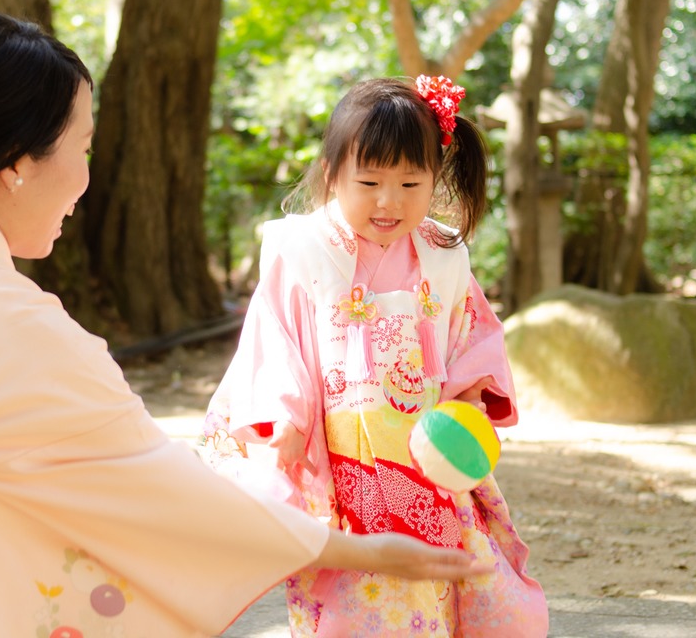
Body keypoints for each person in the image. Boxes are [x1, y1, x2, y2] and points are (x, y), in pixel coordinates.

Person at [0, 12, 487, 637]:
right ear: (18, 167)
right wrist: (360, 551)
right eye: (84, 146)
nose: (88, 176)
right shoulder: (11, 329)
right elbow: (165, 499)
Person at [200, 76, 549, 636]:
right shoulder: (303, 248)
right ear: (332, 173)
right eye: (369, 181)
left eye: (411, 183)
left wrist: (468, 397)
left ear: (436, 178)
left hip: (421, 454)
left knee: (426, 589)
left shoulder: (442, 256)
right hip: (339, 462)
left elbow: (472, 335)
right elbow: (275, 336)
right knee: (345, 596)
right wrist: (283, 418)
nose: (390, 202)